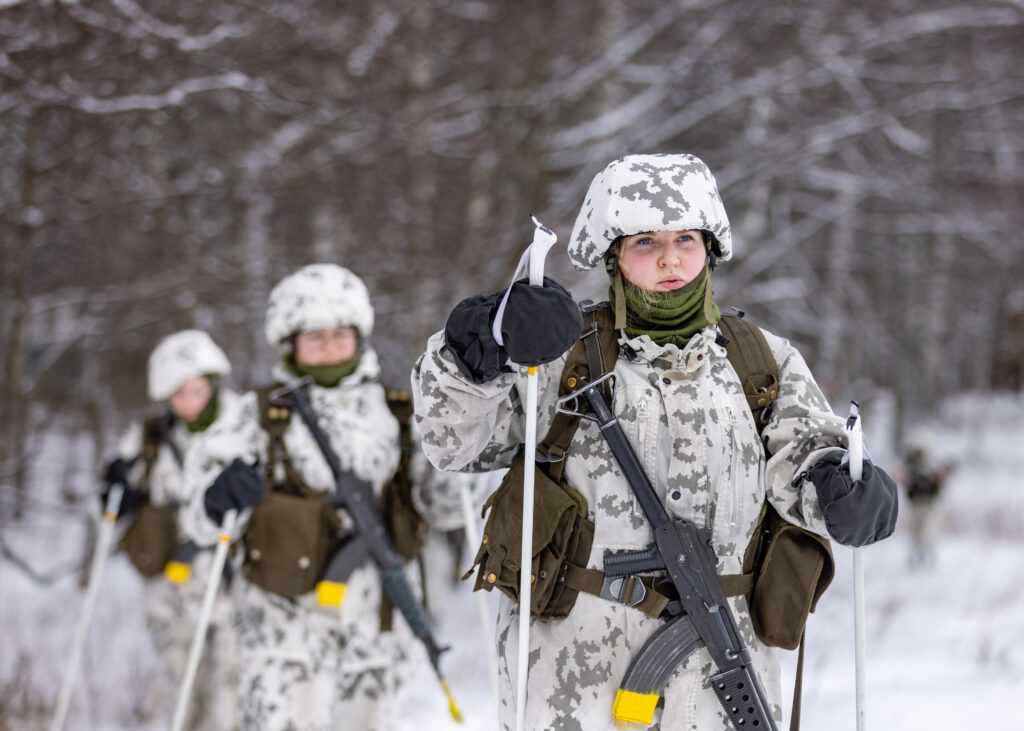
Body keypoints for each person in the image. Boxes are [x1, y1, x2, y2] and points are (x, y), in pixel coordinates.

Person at [411, 153, 899, 730]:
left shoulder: (760, 360)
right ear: (613, 255)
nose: (670, 257)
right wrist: (481, 345)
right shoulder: (558, 356)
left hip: (723, 677)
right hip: (575, 681)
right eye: (645, 241)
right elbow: (453, 440)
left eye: (685, 239)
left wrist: (843, 488)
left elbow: (806, 459)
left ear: (709, 248)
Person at [181, 263, 440, 731]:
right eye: (314, 337)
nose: (329, 346)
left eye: (340, 334)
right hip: (283, 637)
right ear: (290, 343)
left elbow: (442, 507)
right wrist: (216, 501)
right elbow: (197, 522)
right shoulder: (256, 415)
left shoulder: (399, 411)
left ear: (359, 335)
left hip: (378, 633)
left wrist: (459, 473)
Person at [100, 328, 240, 731]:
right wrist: (114, 489)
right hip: (170, 593)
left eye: (197, 390)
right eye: (179, 393)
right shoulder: (148, 439)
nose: (190, 402)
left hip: (232, 586)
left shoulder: (242, 428)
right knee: (185, 692)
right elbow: (109, 514)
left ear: (212, 385)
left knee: (233, 692)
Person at [902, 438, 949, 568]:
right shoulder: (911, 465)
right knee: (915, 532)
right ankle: (917, 557)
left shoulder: (931, 465)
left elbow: (937, 485)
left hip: (928, 504)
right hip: (916, 504)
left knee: (928, 531)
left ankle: (929, 557)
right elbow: (909, 485)